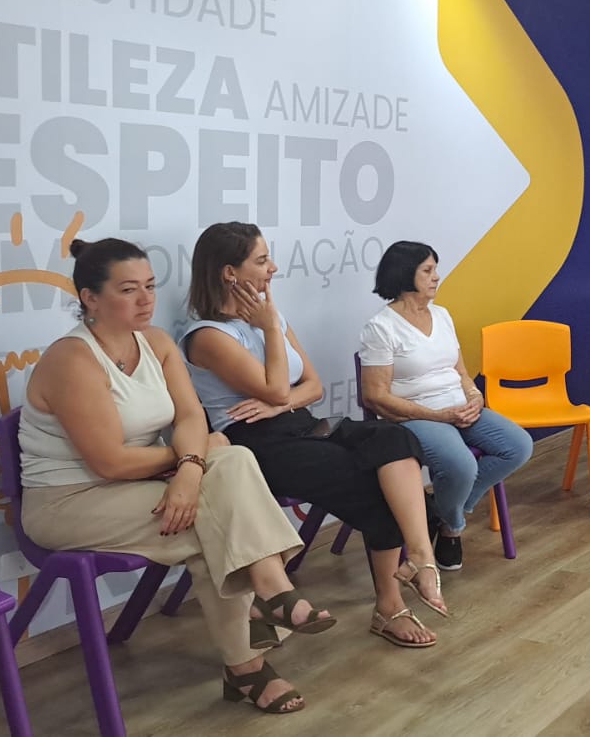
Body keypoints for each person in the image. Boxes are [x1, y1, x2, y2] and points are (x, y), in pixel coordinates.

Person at [19, 238, 334, 715]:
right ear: (90, 299)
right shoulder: (72, 358)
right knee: (215, 519)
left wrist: (190, 466)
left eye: (149, 286)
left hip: (140, 483)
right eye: (129, 290)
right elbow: (110, 462)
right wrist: (189, 460)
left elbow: (190, 418)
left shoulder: (157, 342)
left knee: (233, 457)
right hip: (70, 501)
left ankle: (269, 598)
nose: (145, 299)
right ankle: (252, 650)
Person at [180, 222, 445, 650]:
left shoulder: (271, 317)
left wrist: (279, 400)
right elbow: (276, 388)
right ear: (230, 273)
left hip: (302, 422)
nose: (273, 268)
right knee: (374, 488)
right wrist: (271, 335)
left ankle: (421, 557)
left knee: (395, 440)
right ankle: (390, 605)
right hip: (254, 445)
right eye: (262, 260)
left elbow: (313, 386)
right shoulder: (207, 336)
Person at [358, 240, 534, 571]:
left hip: (458, 407)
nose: (436, 276)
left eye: (435, 269)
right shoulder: (380, 327)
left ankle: (438, 512)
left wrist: (475, 397)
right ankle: (453, 529)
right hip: (413, 414)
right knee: (461, 466)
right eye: (428, 270)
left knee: (518, 446)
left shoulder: (442, 315)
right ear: (405, 274)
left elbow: (461, 372)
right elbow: (375, 396)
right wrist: (438, 415)